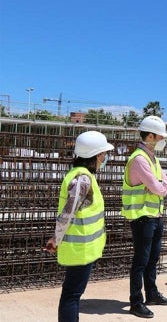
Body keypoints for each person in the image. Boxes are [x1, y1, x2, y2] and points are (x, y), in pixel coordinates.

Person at [45, 131, 114, 322]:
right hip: (79, 249)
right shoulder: (82, 178)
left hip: (83, 249)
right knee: (71, 296)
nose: (105, 158)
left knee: (72, 294)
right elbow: (68, 213)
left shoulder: (84, 176)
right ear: (96, 155)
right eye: (103, 154)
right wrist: (55, 239)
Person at [122, 115, 167, 318]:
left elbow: (164, 181)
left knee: (152, 259)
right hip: (142, 217)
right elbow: (158, 188)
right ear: (150, 136)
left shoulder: (152, 158)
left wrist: (162, 185)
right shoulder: (139, 159)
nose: (163, 140)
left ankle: (151, 293)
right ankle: (136, 301)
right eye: (160, 136)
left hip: (154, 215)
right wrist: (162, 186)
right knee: (141, 261)